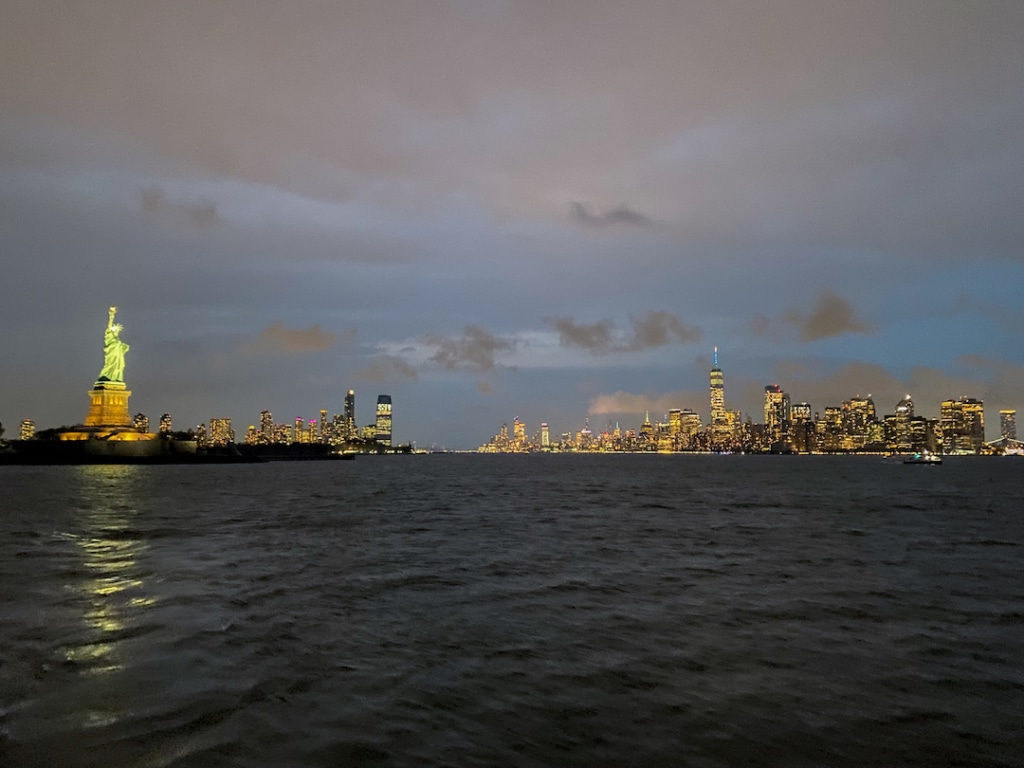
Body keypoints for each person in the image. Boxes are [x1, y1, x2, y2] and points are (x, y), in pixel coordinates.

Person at [98, 306, 129, 383]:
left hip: (118, 357)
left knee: (120, 366)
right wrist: (111, 316)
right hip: (111, 355)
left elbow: (123, 348)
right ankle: (105, 376)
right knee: (109, 365)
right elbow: (109, 326)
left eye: (117, 331)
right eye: (115, 330)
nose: (116, 332)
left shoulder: (118, 341)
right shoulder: (109, 336)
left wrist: (125, 347)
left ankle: (116, 377)